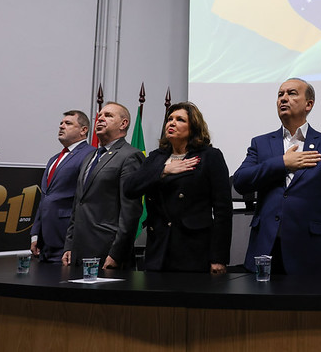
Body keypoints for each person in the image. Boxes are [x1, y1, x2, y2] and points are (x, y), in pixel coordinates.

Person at [233, 78, 321, 275]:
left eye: (291, 93)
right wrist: (282, 163)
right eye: (280, 94)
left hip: (311, 251)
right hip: (266, 250)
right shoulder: (261, 143)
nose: (283, 99)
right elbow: (240, 181)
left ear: (309, 104)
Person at [124, 102, 232, 273]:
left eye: (180, 119)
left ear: (194, 127)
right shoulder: (156, 157)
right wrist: (164, 170)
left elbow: (223, 210)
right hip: (158, 247)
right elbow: (129, 188)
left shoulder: (210, 156)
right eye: (169, 119)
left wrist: (219, 258)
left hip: (193, 248)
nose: (171, 123)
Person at [62, 102, 144, 268]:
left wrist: (117, 254)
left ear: (123, 124)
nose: (100, 119)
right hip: (78, 252)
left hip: (107, 252)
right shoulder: (89, 156)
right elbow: (78, 204)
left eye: (108, 116)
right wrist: (70, 245)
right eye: (100, 116)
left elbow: (131, 212)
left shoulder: (130, 156)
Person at [30, 110, 94, 263]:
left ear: (83, 130)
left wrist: (73, 241)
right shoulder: (54, 159)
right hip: (45, 241)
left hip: (66, 238)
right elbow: (45, 198)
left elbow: (85, 199)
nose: (61, 126)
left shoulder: (90, 154)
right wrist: (35, 234)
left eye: (68, 123)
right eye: (61, 123)